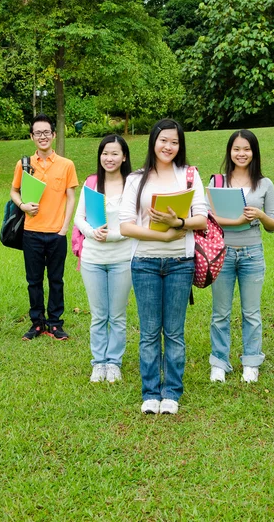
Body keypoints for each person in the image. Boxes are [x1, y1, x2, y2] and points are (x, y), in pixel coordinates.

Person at [120, 119, 207, 415]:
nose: (168, 147)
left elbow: (202, 219)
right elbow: (126, 226)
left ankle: (171, 391)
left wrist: (178, 223)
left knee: (173, 331)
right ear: (153, 142)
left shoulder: (189, 176)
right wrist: (162, 234)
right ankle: (150, 392)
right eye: (163, 141)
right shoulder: (136, 178)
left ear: (180, 145)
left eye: (174, 142)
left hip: (180, 262)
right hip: (144, 262)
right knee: (148, 331)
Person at [208, 130, 274, 384]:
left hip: (252, 254)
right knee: (221, 312)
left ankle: (251, 361)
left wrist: (260, 216)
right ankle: (219, 362)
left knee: (251, 312)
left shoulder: (265, 184)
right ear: (230, 152)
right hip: (222, 254)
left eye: (247, 149)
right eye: (237, 149)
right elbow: (207, 218)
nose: (241, 154)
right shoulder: (217, 182)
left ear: (254, 152)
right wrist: (237, 220)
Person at [10, 113, 78, 340]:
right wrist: (22, 205)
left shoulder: (66, 165)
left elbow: (71, 197)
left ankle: (56, 323)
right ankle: (37, 323)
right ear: (32, 136)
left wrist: (64, 228)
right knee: (34, 280)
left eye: (46, 132)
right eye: (38, 133)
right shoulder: (24, 164)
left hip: (57, 233)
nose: (42, 136)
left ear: (54, 134)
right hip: (31, 232)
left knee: (56, 280)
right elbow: (14, 191)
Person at [74, 135, 132, 383]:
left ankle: (114, 363)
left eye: (115, 153)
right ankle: (99, 362)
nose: (109, 158)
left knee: (117, 315)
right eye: (105, 153)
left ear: (124, 157)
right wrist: (91, 232)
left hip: (123, 257)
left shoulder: (133, 185)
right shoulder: (91, 183)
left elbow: (138, 221)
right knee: (99, 314)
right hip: (93, 258)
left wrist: (115, 236)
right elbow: (79, 217)